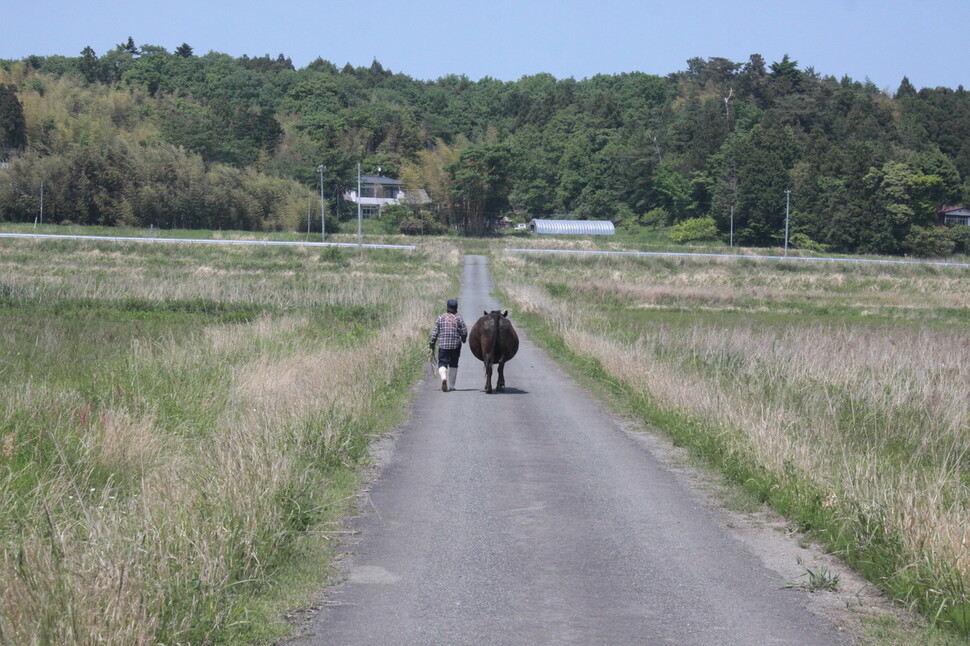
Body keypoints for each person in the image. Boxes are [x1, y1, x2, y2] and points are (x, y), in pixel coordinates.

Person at [429, 298, 467, 392]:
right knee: (454, 364)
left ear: (447, 307)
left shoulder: (440, 318)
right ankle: (452, 386)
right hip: (455, 345)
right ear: (456, 308)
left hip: (443, 345)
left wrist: (432, 344)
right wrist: (463, 338)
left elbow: (435, 332)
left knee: (442, 363)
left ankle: (443, 378)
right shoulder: (458, 318)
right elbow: (464, 331)